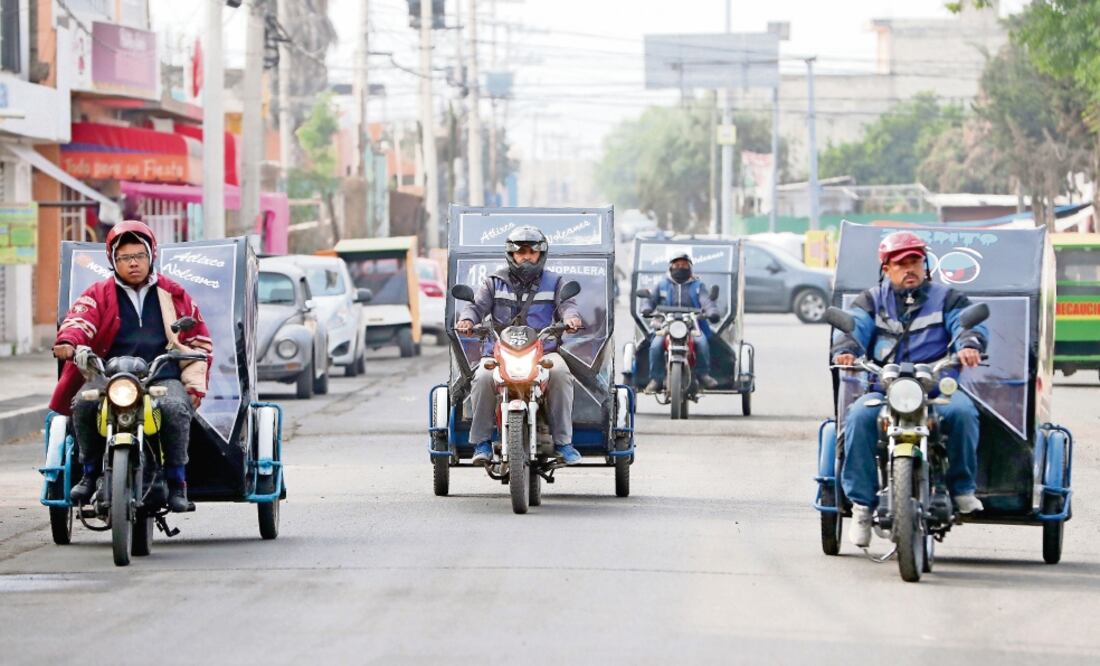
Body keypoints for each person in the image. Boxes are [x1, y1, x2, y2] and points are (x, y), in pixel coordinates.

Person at [831, 231, 988, 547]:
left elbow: (967, 325)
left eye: (915, 261)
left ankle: (962, 490)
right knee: (859, 418)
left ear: (925, 264)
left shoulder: (948, 298)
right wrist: (846, 350)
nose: (910, 269)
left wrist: (970, 344)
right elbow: (854, 328)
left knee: (962, 412)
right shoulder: (870, 301)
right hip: (883, 388)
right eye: (901, 263)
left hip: (934, 389)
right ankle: (862, 507)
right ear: (886, 269)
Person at [50, 221, 214, 512]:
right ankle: (89, 473)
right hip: (108, 377)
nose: (133, 263)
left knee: (176, 409)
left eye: (139, 255)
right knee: (84, 404)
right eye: (124, 258)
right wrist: (68, 341)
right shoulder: (98, 293)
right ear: (113, 261)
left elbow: (199, 339)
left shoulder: (173, 294)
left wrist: (193, 383)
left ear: (152, 255)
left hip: (160, 375)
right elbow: (79, 320)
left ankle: (178, 483)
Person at [456, 226, 584, 465]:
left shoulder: (555, 282)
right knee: (483, 377)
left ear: (541, 254)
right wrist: (467, 319)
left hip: (543, 350)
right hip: (500, 352)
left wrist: (571, 318)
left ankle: (564, 443)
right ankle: (481, 443)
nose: (526, 256)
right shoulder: (494, 282)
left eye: (532, 252)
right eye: (521, 251)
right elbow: (476, 306)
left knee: (560, 373)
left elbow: (568, 305)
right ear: (511, 254)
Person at [643, 253, 722, 393]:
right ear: (671, 267)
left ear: (690, 267)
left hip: (691, 323)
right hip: (667, 323)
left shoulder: (698, 285)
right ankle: (655, 379)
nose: (680, 268)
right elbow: (650, 300)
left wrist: (712, 312)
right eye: (677, 265)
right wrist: (647, 308)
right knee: (655, 346)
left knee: (702, 343)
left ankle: (703, 374)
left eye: (684, 265)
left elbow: (706, 301)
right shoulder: (662, 285)